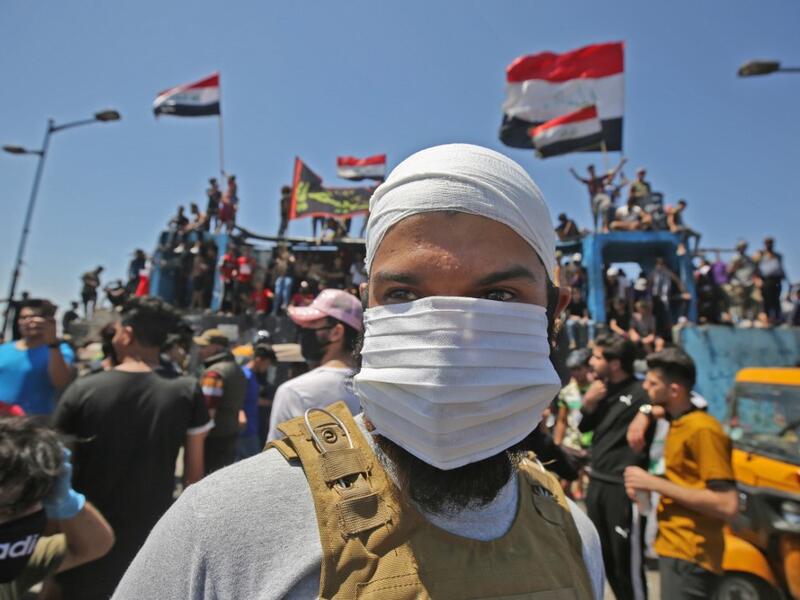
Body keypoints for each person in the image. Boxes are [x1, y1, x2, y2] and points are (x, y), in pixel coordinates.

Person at [113, 144, 604, 600]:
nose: (448, 339)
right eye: (404, 297)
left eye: (498, 296)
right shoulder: (225, 526)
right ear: (368, 305)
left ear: (555, 312)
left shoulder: (573, 534)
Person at [52, 297, 211, 600]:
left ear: (127, 334)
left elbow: (56, 471)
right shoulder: (187, 390)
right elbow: (194, 479)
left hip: (85, 532)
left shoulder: (84, 388)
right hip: (149, 536)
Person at [624, 349, 737, 600]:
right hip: (674, 546)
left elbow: (727, 504)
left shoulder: (703, 430)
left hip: (692, 552)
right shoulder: (678, 420)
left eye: (653, 383)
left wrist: (653, 483)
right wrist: (643, 414)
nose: (645, 387)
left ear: (674, 390)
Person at [0, 417, 114, 599]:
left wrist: (68, 503)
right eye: (9, 509)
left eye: (36, 500)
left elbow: (95, 545)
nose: (31, 513)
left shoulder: (11, 562)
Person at [580, 334, 653, 600]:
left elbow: (684, 399)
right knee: (604, 559)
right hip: (596, 483)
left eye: (598, 357)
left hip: (623, 489)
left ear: (615, 363)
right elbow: (584, 428)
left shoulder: (643, 392)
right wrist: (588, 403)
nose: (591, 361)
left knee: (627, 565)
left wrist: (646, 412)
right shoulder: (600, 390)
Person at [266, 288, 363, 440]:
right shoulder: (377, 387)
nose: (304, 332)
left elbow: (273, 461)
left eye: (312, 324)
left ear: (336, 332)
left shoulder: (294, 392)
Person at [0, 299, 74, 416]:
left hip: (35, 425)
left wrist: (53, 344)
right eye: (23, 318)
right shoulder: (3, 349)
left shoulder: (60, 350)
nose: (28, 322)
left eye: (35, 317)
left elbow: (60, 381)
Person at [194, 328, 247, 474]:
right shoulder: (237, 369)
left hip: (212, 440)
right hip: (229, 435)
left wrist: (195, 444)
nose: (200, 351)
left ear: (216, 347)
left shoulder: (214, 373)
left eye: (204, 347)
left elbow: (206, 413)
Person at [237, 344, 276, 461]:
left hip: (252, 428)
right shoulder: (245, 375)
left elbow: (252, 399)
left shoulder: (253, 376)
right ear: (259, 360)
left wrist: (271, 403)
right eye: (267, 364)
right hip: (245, 430)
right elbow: (237, 399)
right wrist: (240, 414)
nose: (267, 367)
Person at [756, 237, 787, 324]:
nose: (769, 245)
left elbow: (781, 268)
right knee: (766, 300)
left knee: (776, 300)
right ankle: (766, 318)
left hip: (776, 280)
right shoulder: (761, 255)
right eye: (767, 243)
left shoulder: (778, 256)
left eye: (770, 243)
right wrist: (757, 279)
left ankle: (777, 318)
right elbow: (755, 268)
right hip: (765, 281)